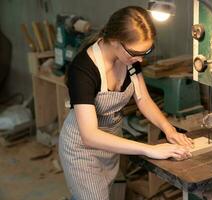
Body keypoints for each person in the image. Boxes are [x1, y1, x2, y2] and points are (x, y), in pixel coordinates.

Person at [58, 6, 194, 200]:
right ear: (114, 41)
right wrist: (150, 149)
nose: (140, 59)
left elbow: (143, 99)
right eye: (135, 52)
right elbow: (89, 136)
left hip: (111, 144)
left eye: (147, 51)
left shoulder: (129, 60)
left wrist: (169, 129)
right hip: (82, 149)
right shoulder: (83, 69)